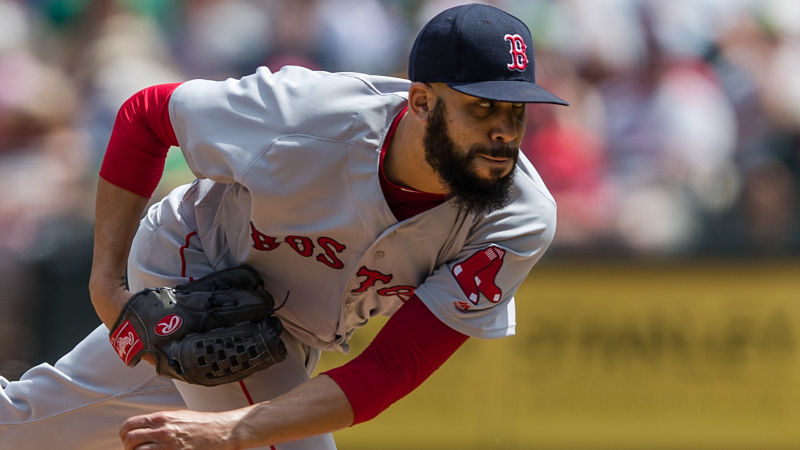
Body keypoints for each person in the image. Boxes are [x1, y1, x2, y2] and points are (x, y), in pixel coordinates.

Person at [0, 3, 566, 449]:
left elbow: (393, 366)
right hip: (192, 267)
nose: (504, 132)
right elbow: (147, 117)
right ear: (420, 101)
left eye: (515, 111)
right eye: (482, 108)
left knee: (28, 429)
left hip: (283, 332)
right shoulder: (306, 114)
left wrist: (231, 429)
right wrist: (106, 285)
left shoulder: (518, 217)